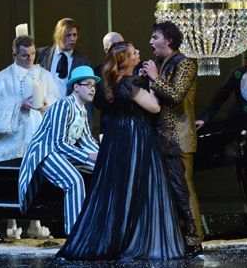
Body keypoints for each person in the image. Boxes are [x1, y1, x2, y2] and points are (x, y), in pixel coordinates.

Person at [58, 42, 185, 260]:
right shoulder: (129, 83)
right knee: (142, 185)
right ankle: (135, 240)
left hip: (119, 136)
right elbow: (154, 107)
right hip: (136, 136)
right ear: (127, 61)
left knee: (123, 188)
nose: (139, 53)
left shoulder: (116, 82)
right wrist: (154, 79)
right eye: (134, 52)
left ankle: (121, 235)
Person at [0, 31, 59, 240]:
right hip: (13, 131)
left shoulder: (43, 74)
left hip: (37, 128)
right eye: (25, 55)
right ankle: (11, 221)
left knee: (37, 173)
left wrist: (44, 106)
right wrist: (18, 105)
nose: (30, 58)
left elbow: (55, 99)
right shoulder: (3, 76)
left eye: (32, 54)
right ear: (14, 54)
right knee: (11, 174)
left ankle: (36, 222)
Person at [196, 37, 247, 220]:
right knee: (243, 168)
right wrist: (204, 118)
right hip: (241, 127)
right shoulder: (237, 74)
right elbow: (220, 97)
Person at [141, 21, 202, 255]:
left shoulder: (185, 62)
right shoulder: (159, 63)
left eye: (155, 37)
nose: (150, 41)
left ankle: (194, 240)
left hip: (178, 139)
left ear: (168, 40)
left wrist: (155, 79)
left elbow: (176, 96)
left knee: (183, 190)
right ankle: (178, 237)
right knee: (170, 191)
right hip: (161, 138)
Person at [18, 66, 100, 236]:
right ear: (76, 87)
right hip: (44, 152)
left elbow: (86, 141)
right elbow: (57, 143)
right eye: (88, 84)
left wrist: (103, 155)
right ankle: (75, 236)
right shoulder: (64, 105)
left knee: (101, 171)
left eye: (94, 85)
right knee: (74, 180)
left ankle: (96, 228)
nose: (92, 88)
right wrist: (88, 156)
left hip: (60, 153)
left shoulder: (82, 111)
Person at [36, 18, 91, 97]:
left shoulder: (84, 62)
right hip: (45, 107)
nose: (72, 39)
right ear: (58, 35)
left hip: (69, 108)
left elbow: (86, 94)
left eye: (74, 35)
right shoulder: (40, 54)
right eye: (68, 35)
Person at [92, 31, 125, 135]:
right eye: (115, 45)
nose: (120, 48)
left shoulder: (137, 67)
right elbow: (98, 101)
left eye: (122, 44)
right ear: (106, 50)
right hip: (110, 124)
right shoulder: (98, 71)